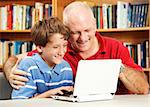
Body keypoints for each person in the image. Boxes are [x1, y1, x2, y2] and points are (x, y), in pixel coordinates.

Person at [3, 1, 149, 95]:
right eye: (76, 32)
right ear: (66, 31)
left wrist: (119, 69)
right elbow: (15, 58)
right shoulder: (59, 50)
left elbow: (143, 89)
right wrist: (10, 72)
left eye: (87, 30)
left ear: (95, 24)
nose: (83, 38)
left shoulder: (115, 47)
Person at [11, 17, 74, 99]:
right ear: (40, 48)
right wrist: (50, 94)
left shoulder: (66, 67)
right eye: (55, 47)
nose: (62, 52)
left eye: (65, 46)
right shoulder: (28, 66)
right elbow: (19, 103)